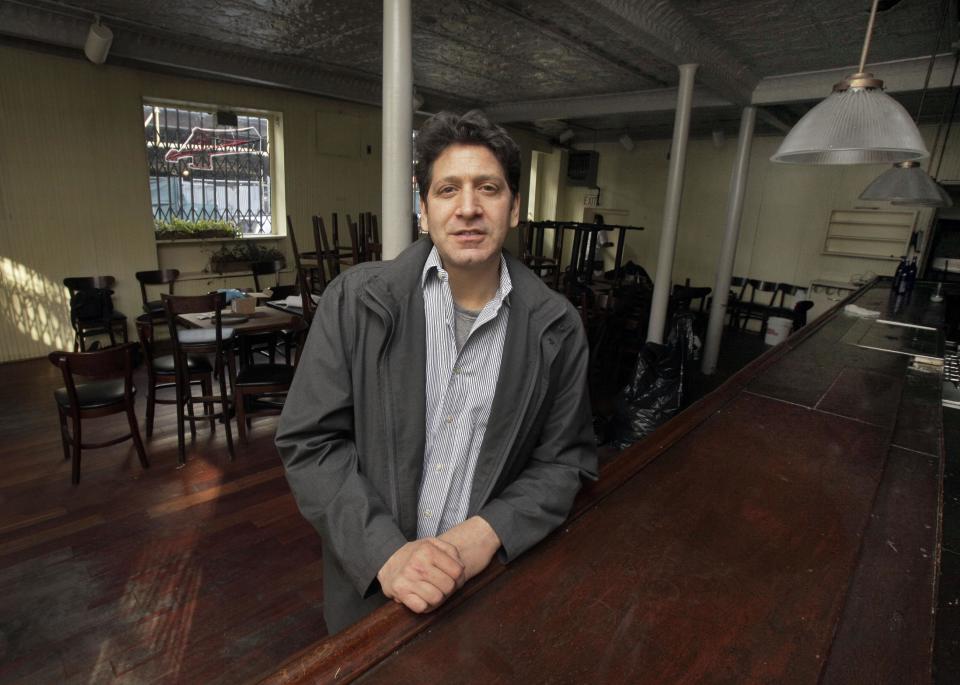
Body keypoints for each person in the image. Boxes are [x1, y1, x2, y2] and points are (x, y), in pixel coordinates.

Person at [276, 110, 598, 635]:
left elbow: (565, 463)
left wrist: (491, 530)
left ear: (514, 207)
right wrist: (385, 553)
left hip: (485, 589)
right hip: (371, 589)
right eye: (448, 189)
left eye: (488, 188)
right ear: (423, 210)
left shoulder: (555, 327)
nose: (468, 208)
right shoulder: (356, 302)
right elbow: (310, 443)